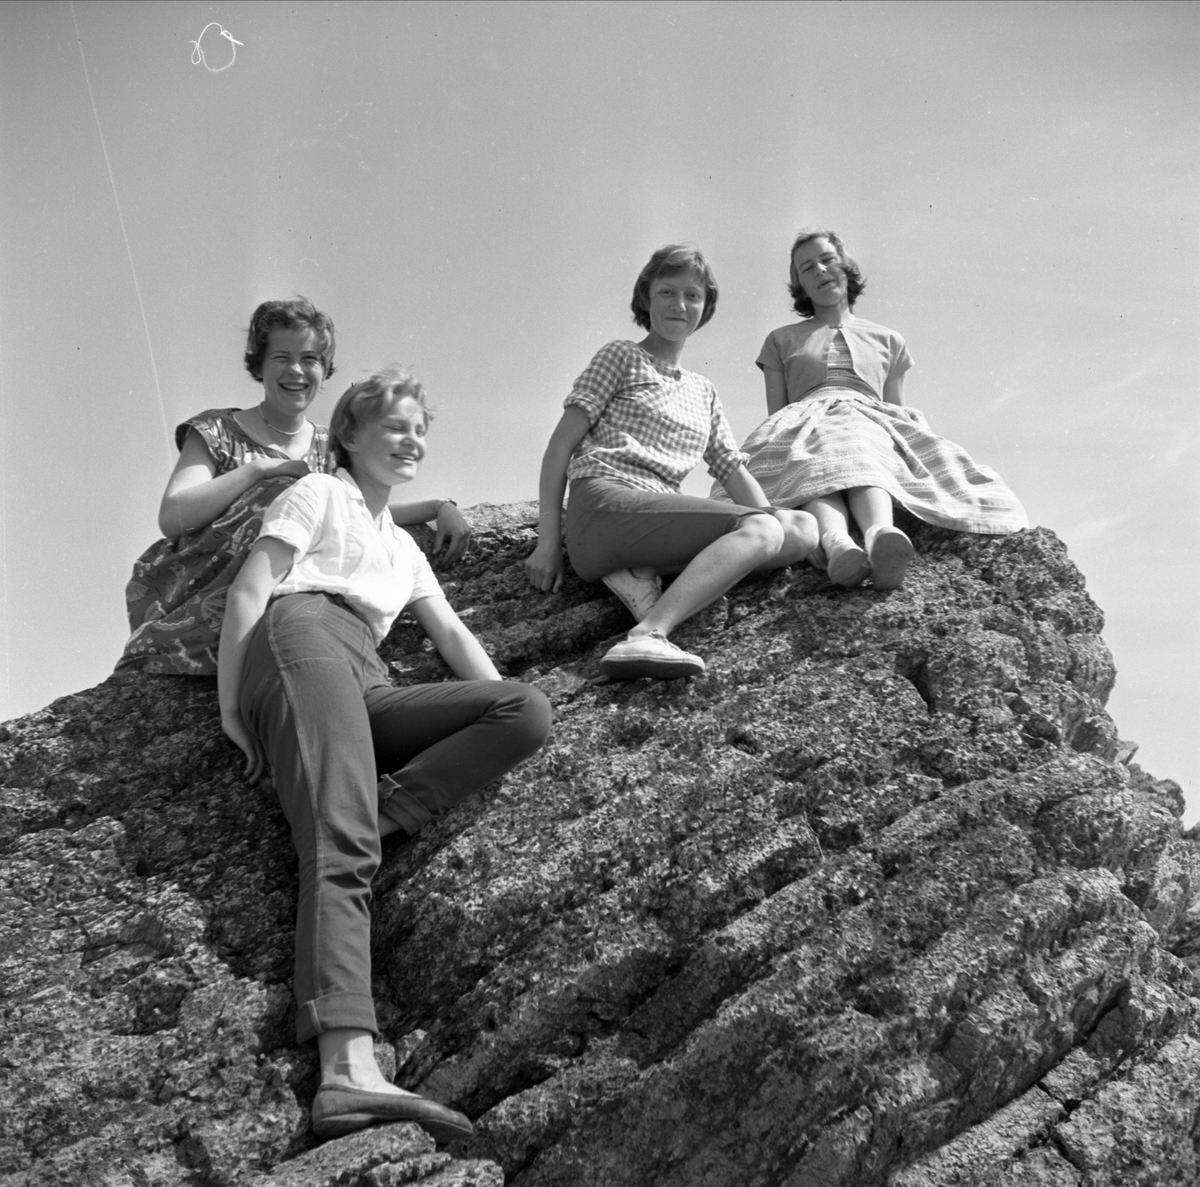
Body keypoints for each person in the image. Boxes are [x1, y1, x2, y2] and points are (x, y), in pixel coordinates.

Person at [218, 366, 552, 1143]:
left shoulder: (404, 544)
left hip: (367, 675)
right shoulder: (318, 493)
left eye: (421, 430)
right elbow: (250, 589)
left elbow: (452, 635)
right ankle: (346, 1069)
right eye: (396, 426)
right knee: (338, 845)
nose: (413, 441)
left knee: (525, 710)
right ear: (350, 434)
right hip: (301, 637)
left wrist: (507, 694)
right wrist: (232, 706)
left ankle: (381, 810)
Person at [117, 297, 471, 675]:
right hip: (204, 583)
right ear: (260, 363)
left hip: (286, 600)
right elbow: (173, 516)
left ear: (324, 368)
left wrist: (439, 507)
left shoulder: (329, 444)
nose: (296, 370)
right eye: (281, 357)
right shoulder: (217, 428)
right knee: (282, 493)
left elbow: (358, 514)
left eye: (310, 359)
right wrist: (261, 471)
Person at [525, 244, 818, 680]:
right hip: (603, 504)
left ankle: (640, 570)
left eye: (692, 295)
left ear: (705, 306)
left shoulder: (703, 390)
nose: (679, 305)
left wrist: (776, 521)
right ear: (646, 298)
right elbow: (559, 447)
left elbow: (732, 470)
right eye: (667, 292)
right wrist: (548, 541)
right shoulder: (621, 356)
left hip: (649, 527)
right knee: (763, 529)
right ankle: (648, 634)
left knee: (800, 530)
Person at [714, 230, 1027, 590]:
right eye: (807, 268)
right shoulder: (780, 339)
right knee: (812, 455)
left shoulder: (888, 339)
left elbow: (894, 409)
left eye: (827, 260)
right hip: (803, 421)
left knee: (863, 443)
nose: (819, 270)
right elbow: (778, 414)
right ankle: (837, 544)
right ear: (799, 284)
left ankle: (881, 535)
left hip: (867, 419)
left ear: (846, 266)